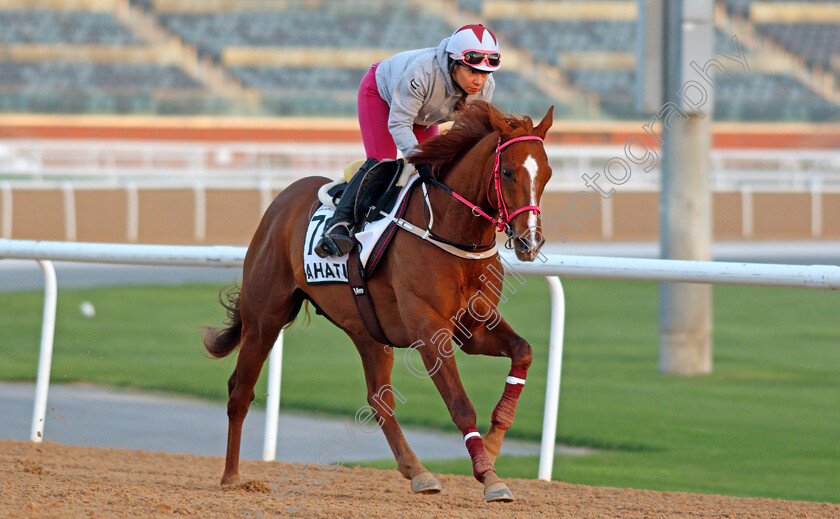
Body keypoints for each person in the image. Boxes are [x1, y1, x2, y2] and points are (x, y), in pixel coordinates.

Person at [314, 23, 501, 258]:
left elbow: (464, 133)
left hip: (423, 115)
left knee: (439, 170)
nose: (479, 81)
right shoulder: (424, 72)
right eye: (472, 71)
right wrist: (419, 158)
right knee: (383, 163)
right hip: (381, 95)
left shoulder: (485, 89)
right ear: (454, 64)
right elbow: (399, 122)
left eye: (485, 73)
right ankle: (339, 224)